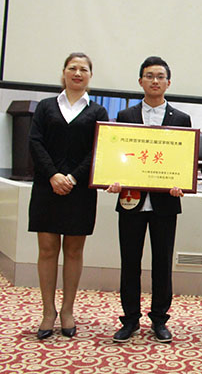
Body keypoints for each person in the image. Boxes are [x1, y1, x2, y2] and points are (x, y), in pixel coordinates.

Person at [107, 56, 191, 343]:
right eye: (149, 76)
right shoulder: (125, 116)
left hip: (165, 203)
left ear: (169, 82)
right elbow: (117, 156)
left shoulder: (181, 119)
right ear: (140, 81)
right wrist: (113, 178)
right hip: (130, 200)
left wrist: (181, 183)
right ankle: (130, 319)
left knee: (162, 263)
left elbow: (182, 160)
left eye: (160, 76)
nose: (155, 81)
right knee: (129, 262)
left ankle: (159, 319)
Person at [29, 52, 108, 339]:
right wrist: (53, 175)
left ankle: (67, 310)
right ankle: (48, 311)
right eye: (72, 68)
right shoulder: (46, 107)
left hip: (80, 189)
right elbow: (35, 142)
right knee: (47, 250)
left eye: (83, 69)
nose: (77, 73)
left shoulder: (98, 111)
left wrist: (73, 177)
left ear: (90, 76)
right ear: (63, 72)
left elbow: (98, 149)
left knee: (74, 251)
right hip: (46, 186)